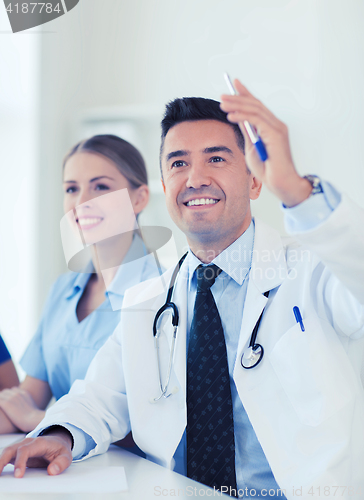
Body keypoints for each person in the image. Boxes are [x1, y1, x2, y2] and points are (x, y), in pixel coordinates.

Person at [0, 81, 363, 500]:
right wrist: (61, 434)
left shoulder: (315, 272)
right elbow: (99, 395)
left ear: (256, 180)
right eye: (177, 163)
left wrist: (298, 191)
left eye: (217, 158)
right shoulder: (149, 301)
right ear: (163, 186)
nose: (195, 178)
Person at [0, 134, 160, 437]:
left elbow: (148, 429)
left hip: (133, 476)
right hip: (66, 470)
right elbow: (26, 398)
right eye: (71, 189)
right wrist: (31, 415)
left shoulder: (161, 294)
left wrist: (39, 419)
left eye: (100, 187)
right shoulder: (63, 290)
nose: (82, 202)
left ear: (139, 198)